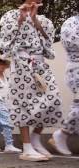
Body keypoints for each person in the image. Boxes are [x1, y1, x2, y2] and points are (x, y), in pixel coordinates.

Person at [0, 0, 64, 161]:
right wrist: (20, 20)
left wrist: (35, 20)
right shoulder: (10, 15)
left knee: (53, 99)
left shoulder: (45, 20)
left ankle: (35, 138)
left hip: (40, 63)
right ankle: (27, 147)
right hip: (21, 62)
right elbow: (5, 44)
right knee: (23, 103)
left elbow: (49, 46)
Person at [49, 15, 79, 156]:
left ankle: (63, 134)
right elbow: (71, 42)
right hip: (76, 69)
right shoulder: (71, 22)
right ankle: (62, 134)